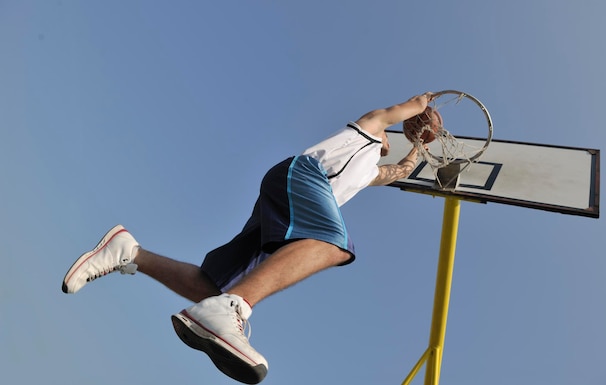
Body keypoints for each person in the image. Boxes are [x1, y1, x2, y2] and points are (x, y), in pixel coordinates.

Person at [61, 92, 435, 384]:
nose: (390, 141)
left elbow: (398, 171)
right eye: (393, 133)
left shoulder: (370, 169)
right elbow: (396, 110)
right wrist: (422, 105)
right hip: (302, 176)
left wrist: (421, 149)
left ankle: (130, 252)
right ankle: (232, 311)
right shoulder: (369, 128)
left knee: (215, 287)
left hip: (288, 205)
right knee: (331, 243)